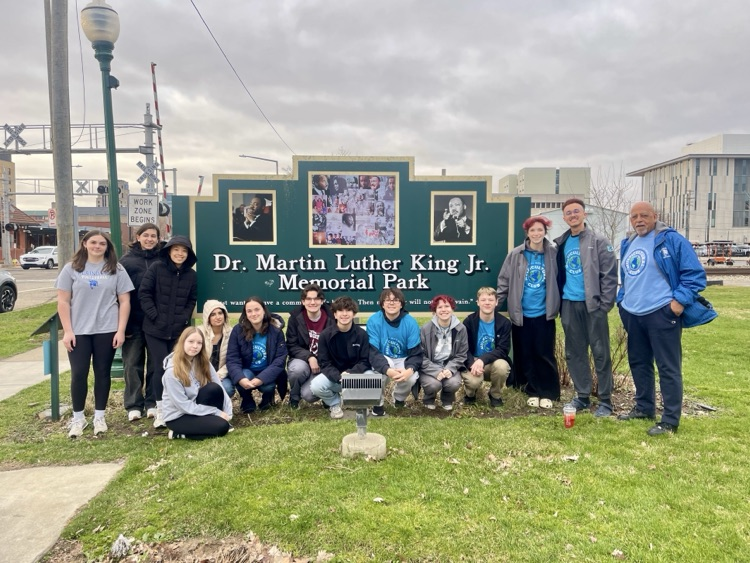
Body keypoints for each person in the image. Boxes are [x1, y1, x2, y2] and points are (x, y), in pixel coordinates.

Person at [616, 202, 710, 435]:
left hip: (662, 312)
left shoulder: (671, 240)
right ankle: (644, 407)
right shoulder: (629, 243)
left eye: (644, 215)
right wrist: (622, 302)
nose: (639, 220)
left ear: (655, 217)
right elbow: (626, 277)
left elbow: (695, 276)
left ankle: (669, 420)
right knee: (639, 363)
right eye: (634, 216)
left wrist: (677, 303)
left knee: (668, 367)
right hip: (633, 313)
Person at [55, 230, 134, 438]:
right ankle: (78, 418)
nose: (97, 246)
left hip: (106, 329)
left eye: (102, 243)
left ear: (107, 247)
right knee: (79, 373)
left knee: (102, 373)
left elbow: (125, 300)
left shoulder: (116, 269)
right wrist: (67, 331)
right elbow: (63, 301)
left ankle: (100, 416)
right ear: (85, 244)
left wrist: (121, 330)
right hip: (79, 331)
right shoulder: (71, 269)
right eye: (93, 242)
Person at [554, 198, 618, 417]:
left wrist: (604, 306)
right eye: (568, 213)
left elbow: (610, 275)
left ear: (584, 215)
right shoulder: (560, 243)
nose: (573, 215)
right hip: (569, 305)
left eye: (576, 211)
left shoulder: (599, 241)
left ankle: (606, 400)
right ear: (564, 218)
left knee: (600, 353)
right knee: (574, 353)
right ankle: (582, 396)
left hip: (593, 306)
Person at [497, 216, 560, 409]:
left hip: (544, 313)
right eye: (532, 230)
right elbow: (504, 280)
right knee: (525, 354)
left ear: (545, 231)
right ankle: (531, 391)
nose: (536, 233)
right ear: (527, 233)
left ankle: (548, 392)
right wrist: (496, 304)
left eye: (540, 230)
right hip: (521, 314)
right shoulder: (516, 254)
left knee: (544, 353)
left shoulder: (553, 253)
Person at [140, 235, 198, 429]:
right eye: (176, 250)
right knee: (159, 368)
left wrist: (184, 318)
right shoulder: (156, 268)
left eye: (184, 251)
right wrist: (154, 315)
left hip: (177, 331)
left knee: (176, 368)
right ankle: (160, 410)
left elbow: (192, 299)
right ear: (169, 250)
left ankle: (175, 406)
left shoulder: (191, 275)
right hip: (155, 329)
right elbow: (144, 293)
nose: (180, 254)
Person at [311, 296, 385, 419]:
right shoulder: (325, 335)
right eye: (340, 311)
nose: (344, 314)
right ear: (334, 314)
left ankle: (361, 404)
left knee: (373, 377)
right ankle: (335, 404)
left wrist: (351, 373)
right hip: (336, 377)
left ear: (354, 314)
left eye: (348, 311)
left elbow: (365, 361)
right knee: (316, 386)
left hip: (357, 377)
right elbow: (324, 363)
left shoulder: (362, 334)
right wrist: (339, 377)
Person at [119, 223, 162, 422]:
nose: (150, 239)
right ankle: (134, 404)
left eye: (153, 236)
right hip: (133, 321)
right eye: (146, 235)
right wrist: (123, 324)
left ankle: (152, 402)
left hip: (156, 322)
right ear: (138, 237)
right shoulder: (126, 262)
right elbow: (118, 294)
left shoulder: (163, 259)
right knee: (132, 363)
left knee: (156, 363)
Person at [161, 327, 233, 440]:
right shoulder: (171, 373)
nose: (195, 346)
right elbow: (183, 406)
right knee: (222, 427)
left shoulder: (202, 362)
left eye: (199, 343)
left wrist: (228, 411)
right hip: (179, 416)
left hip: (196, 406)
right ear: (182, 342)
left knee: (214, 388)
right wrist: (216, 412)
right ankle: (179, 434)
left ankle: (209, 423)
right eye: (191, 341)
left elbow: (218, 385)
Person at [226, 297, 288, 414]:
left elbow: (280, 360)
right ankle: (247, 399)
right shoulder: (238, 331)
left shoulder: (276, 331)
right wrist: (241, 378)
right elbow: (232, 358)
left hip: (267, 369)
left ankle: (268, 399)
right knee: (241, 378)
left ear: (264, 310)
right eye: (249, 311)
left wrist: (261, 379)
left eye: (257, 310)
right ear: (245, 313)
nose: (254, 314)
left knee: (268, 386)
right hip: (247, 370)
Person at [366, 288, 422, 415]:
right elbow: (373, 352)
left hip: (403, 358)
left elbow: (416, 353)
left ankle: (399, 399)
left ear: (401, 304)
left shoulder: (410, 322)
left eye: (395, 300)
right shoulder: (374, 320)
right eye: (387, 300)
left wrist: (410, 369)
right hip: (382, 356)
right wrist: (387, 370)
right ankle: (378, 403)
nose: (391, 303)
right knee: (379, 374)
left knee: (411, 377)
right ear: (382, 304)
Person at [285, 284, 335, 409]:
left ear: (322, 301)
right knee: (297, 370)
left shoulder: (332, 318)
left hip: (325, 363)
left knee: (308, 395)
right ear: (303, 301)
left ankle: (327, 395)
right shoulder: (295, 318)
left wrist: (321, 360)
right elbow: (291, 345)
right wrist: (310, 357)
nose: (312, 302)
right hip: (302, 360)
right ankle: (294, 397)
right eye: (308, 299)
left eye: (316, 299)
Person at [461, 287, 512, 407]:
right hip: (472, 362)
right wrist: (472, 363)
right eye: (483, 300)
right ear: (478, 302)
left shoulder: (504, 323)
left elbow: (503, 350)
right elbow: (464, 349)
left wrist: (482, 360)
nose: (487, 303)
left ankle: (495, 395)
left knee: (502, 366)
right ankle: (470, 394)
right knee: (473, 382)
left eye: (490, 299)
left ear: (496, 302)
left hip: (492, 363)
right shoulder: (469, 321)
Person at [419, 294, 468, 411]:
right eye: (440, 307)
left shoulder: (461, 329)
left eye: (447, 306)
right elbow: (420, 355)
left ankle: (447, 399)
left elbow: (462, 354)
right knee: (433, 384)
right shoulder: (426, 329)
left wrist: (450, 368)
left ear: (452, 309)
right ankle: (429, 399)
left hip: (449, 365)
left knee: (454, 383)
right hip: (430, 366)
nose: (444, 310)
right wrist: (436, 371)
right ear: (435, 311)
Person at [198, 299, 234, 397]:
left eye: (220, 313)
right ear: (207, 317)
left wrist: (218, 375)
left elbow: (233, 359)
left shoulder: (232, 333)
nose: (217, 317)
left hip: (222, 374)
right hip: (201, 374)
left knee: (227, 389)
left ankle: (221, 409)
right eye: (213, 314)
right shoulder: (198, 332)